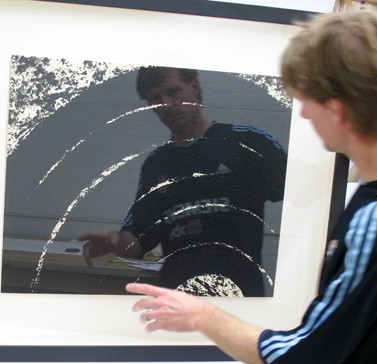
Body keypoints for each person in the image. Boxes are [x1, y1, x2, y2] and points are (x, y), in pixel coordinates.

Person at [126, 11, 377, 364]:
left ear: (338, 110)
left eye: (306, 101)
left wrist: (203, 315)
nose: (303, 115)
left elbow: (301, 358)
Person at [78, 66, 287, 297]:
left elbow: (305, 194)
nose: (166, 104)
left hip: (240, 300)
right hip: (178, 302)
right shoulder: (157, 164)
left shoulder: (247, 143)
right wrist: (114, 242)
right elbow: (137, 240)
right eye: (156, 98)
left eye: (173, 92)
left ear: (194, 88)